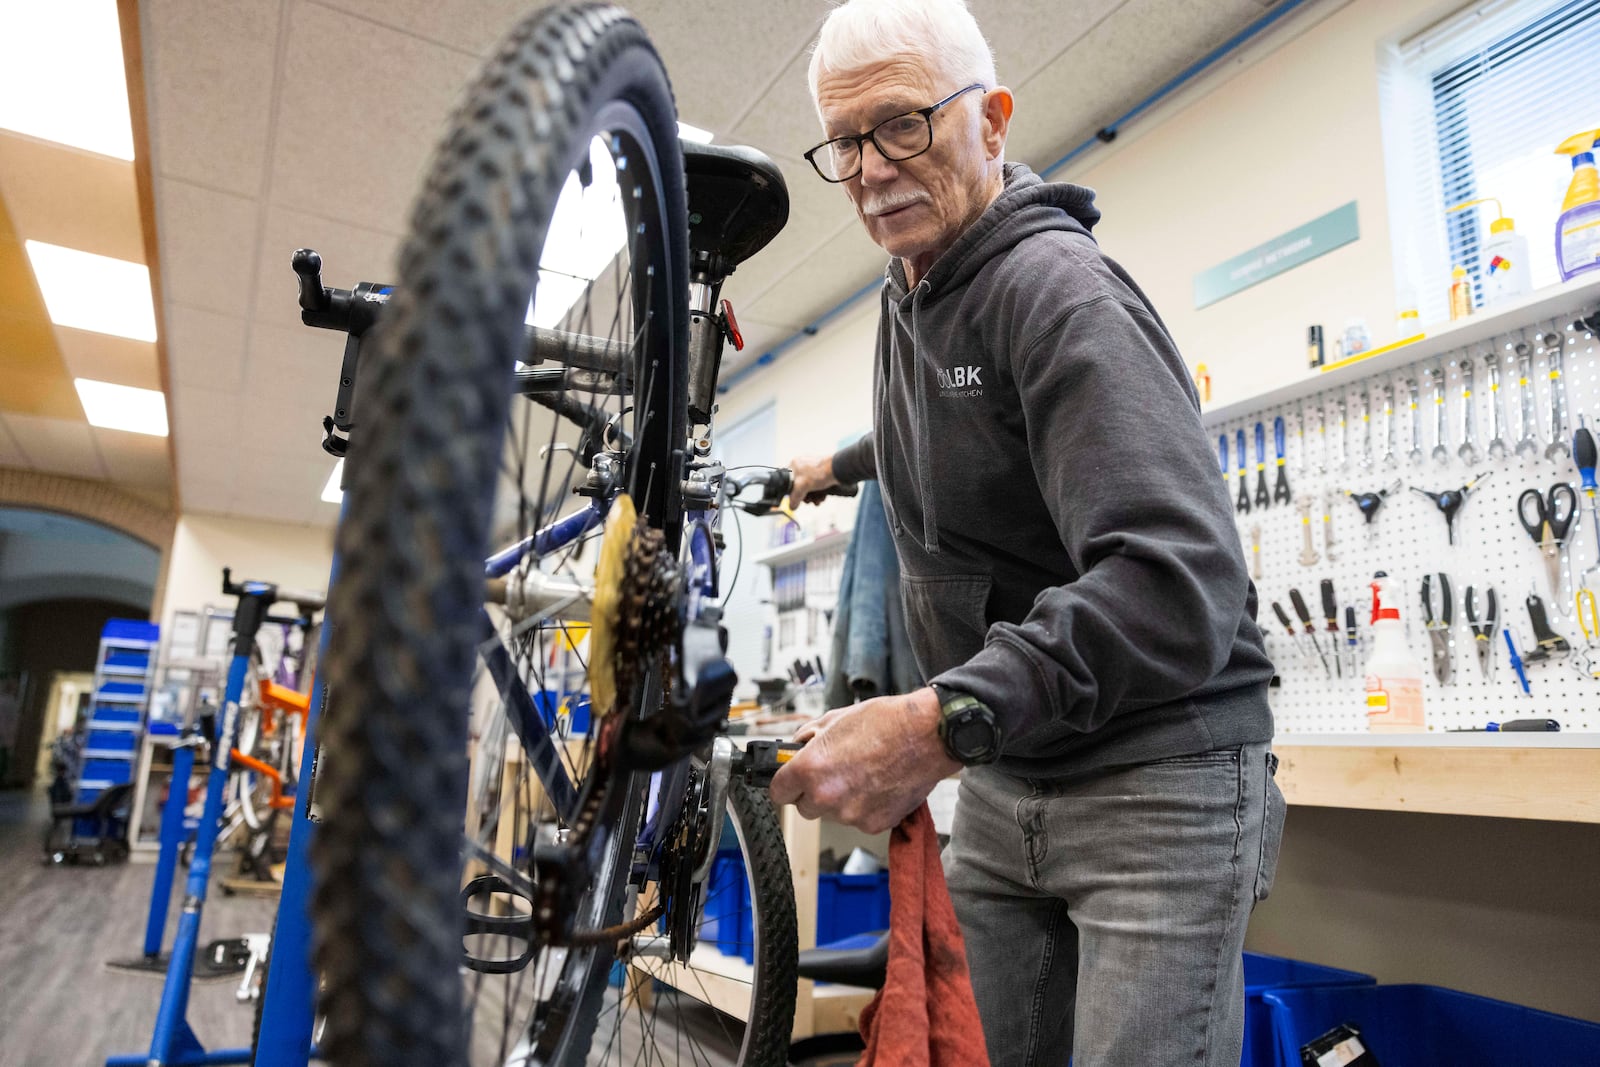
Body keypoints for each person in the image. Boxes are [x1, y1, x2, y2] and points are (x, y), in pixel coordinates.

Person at [766, 2, 1286, 1064]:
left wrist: (937, 720)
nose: (869, 168)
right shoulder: (911, 289)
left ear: (992, 123)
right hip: (1008, 775)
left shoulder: (1056, 292)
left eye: (903, 124)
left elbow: (1176, 577)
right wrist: (832, 467)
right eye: (846, 140)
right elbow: (963, 412)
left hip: (1155, 781)